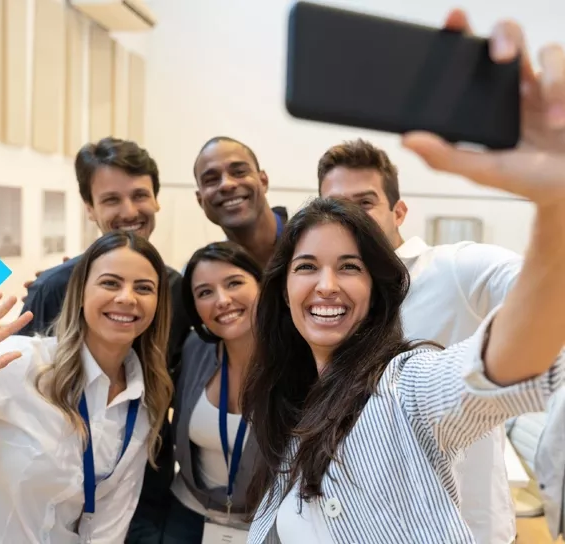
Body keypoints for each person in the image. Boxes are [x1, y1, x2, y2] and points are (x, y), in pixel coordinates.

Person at [242, 11, 565, 544]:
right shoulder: (292, 406)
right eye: (307, 267)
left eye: (350, 267)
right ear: (283, 290)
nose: (326, 285)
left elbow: (512, 354)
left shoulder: (406, 383)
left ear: (379, 291)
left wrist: (556, 203)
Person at [0, 230, 174, 543]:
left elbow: (108, 522)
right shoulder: (20, 363)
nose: (127, 298)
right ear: (80, 293)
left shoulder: (142, 400)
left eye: (144, 288)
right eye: (110, 283)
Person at [317, 141, 521, 541]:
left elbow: (536, 287)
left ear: (399, 212)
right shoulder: (324, 299)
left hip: (464, 524)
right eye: (336, 207)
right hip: (362, 523)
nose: (350, 219)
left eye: (365, 202)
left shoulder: (452, 270)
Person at [17, 137, 191, 543]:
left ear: (157, 201)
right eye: (111, 199)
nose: (129, 211)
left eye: (140, 195)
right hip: (55, 496)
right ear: (90, 208)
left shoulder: (177, 291)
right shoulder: (51, 290)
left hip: (144, 491)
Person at [163, 242, 263, 543]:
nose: (222, 300)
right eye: (205, 292)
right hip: (188, 515)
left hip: (265, 523)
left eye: (234, 283)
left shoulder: (298, 363)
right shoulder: (192, 350)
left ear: (262, 286)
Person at [193, 136, 288, 267]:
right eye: (211, 179)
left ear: (263, 181)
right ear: (200, 200)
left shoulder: (312, 241)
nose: (226, 184)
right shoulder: (205, 277)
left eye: (239, 172)